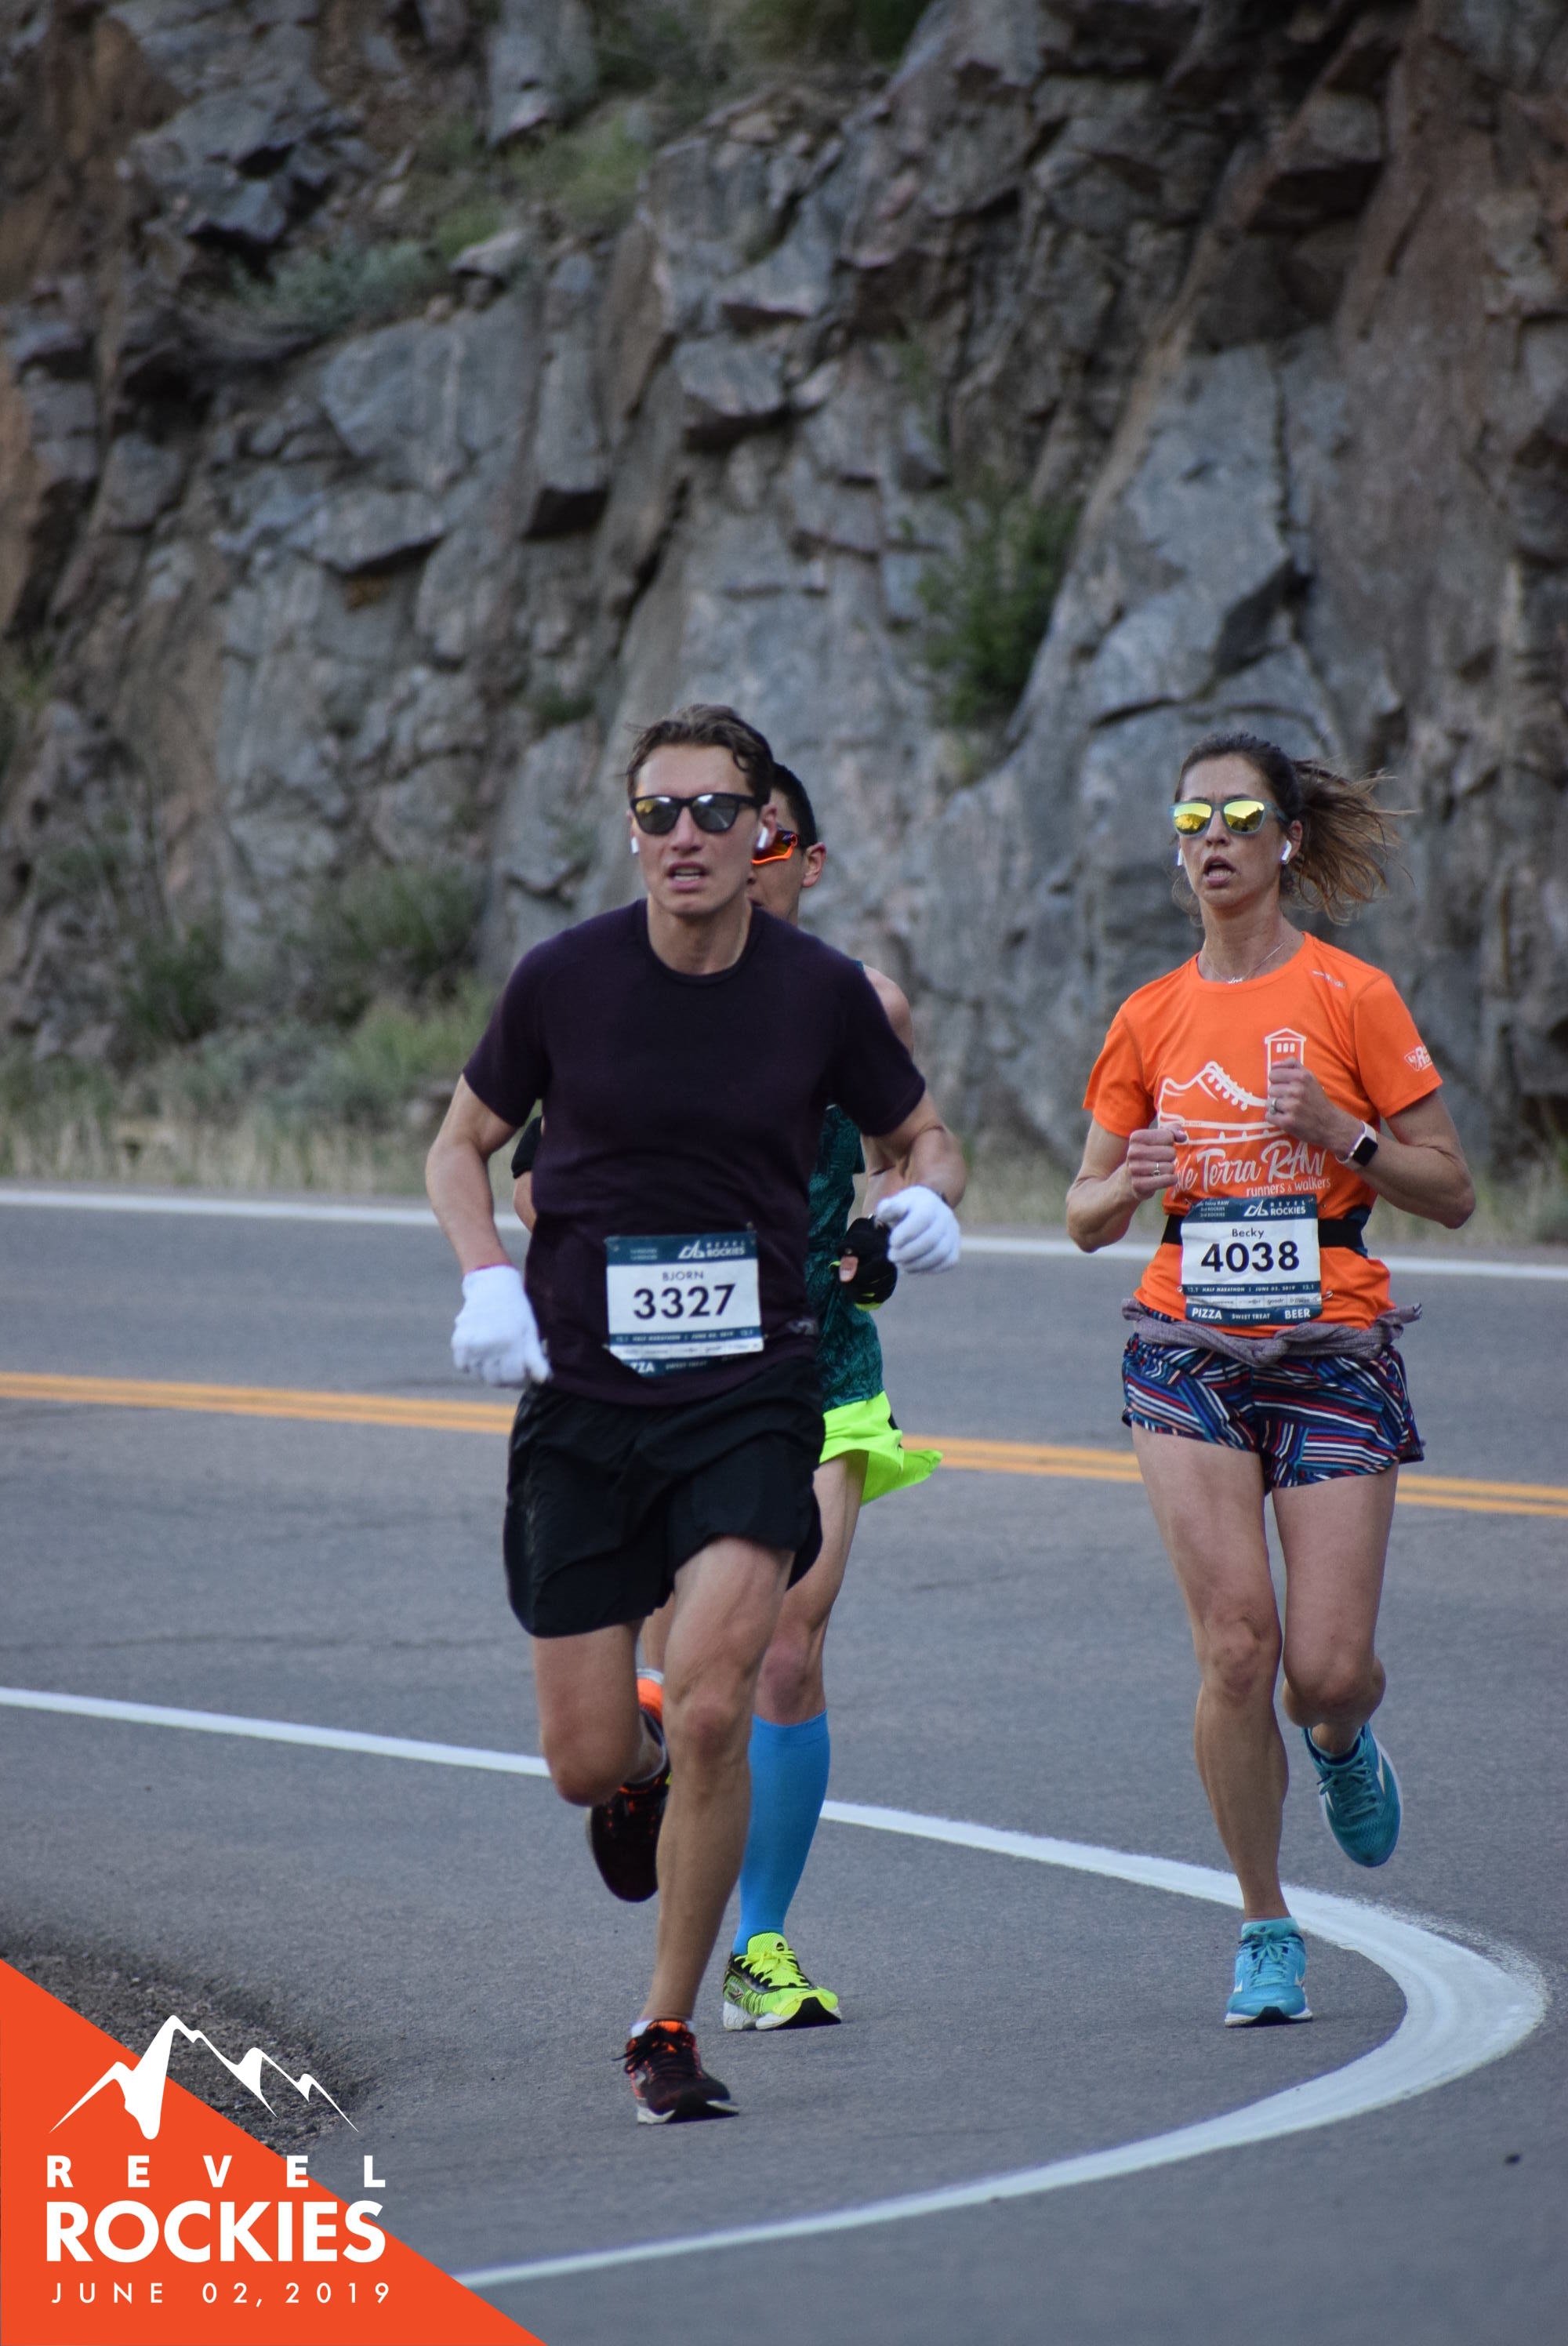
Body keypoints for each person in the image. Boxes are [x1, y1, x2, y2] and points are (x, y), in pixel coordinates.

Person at [426, 703, 966, 2122]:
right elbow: (460, 1145)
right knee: (585, 1759)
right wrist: (486, 1275)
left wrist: (927, 1205)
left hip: (750, 1394)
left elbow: (923, 1135)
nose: (687, 836)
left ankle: (664, 2024)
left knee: (725, 1696)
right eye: (658, 813)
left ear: (761, 832)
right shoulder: (564, 981)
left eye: (716, 812)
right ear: (632, 833)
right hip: (585, 1406)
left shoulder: (820, 994)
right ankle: (641, 1774)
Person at [1065, 731, 1474, 2027]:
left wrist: (1342, 1132)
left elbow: (1454, 1190)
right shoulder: (1150, 1016)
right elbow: (1083, 1209)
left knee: (1325, 1672)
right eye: (1193, 820)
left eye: (1242, 817)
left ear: (1287, 840)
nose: (1216, 839)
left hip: (1333, 1346)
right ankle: (1265, 1924)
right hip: (1185, 1343)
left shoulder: (1353, 996)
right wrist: (1123, 1188)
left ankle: (1341, 1742)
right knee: (1237, 1646)